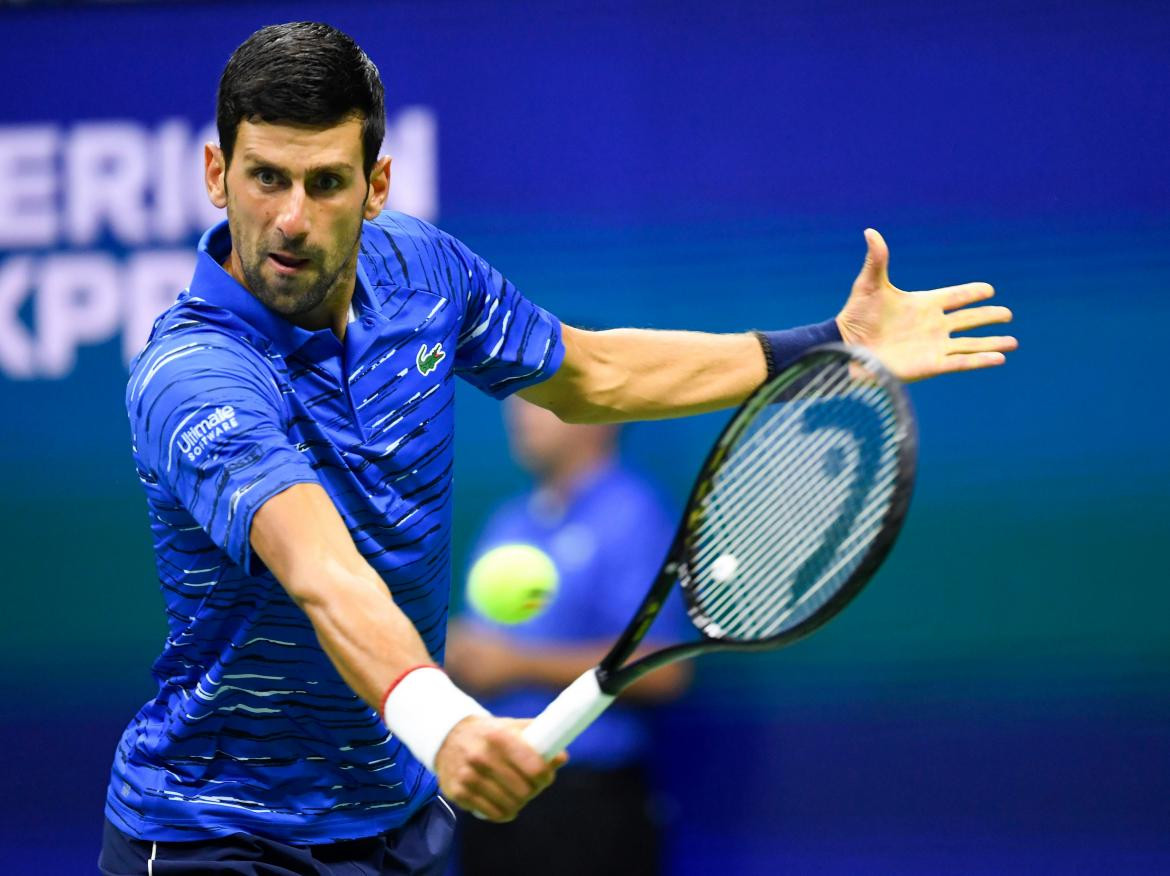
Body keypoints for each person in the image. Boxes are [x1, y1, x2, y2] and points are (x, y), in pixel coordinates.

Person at [98, 20, 1017, 876]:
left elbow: (594, 376)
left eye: (326, 182)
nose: (291, 218)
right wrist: (445, 720)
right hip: (221, 830)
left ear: (376, 188)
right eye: (266, 178)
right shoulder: (194, 373)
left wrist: (830, 345)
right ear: (217, 173)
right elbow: (320, 572)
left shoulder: (422, 270)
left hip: (392, 822)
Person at [446, 395, 690, 876]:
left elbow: (666, 671)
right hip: (491, 795)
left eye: (539, 400)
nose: (518, 414)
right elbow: (482, 644)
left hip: (587, 802)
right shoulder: (509, 520)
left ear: (594, 414)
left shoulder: (633, 515)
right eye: (516, 401)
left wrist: (516, 664)